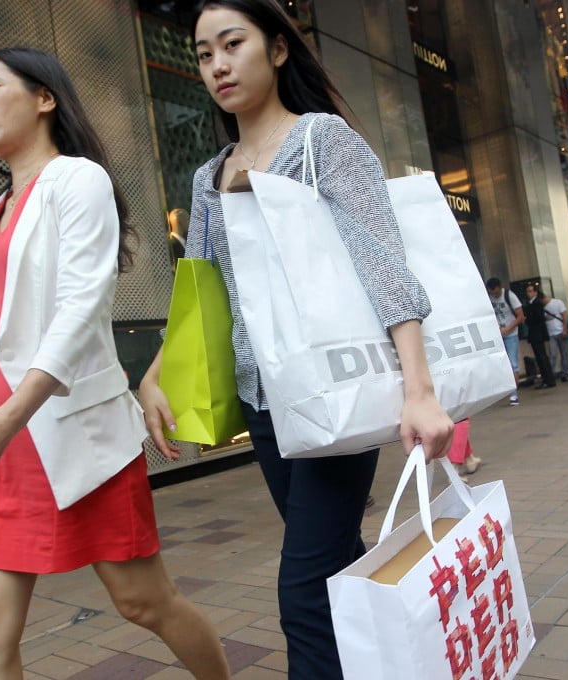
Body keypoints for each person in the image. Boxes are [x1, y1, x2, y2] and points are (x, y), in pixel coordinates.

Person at [0, 48, 230, 679]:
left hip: (70, 434)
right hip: (5, 444)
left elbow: (81, 311)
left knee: (144, 601)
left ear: (43, 97)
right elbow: (3, 336)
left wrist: (7, 419)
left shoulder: (78, 181)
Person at [137, 3, 454, 676]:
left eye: (233, 44)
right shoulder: (208, 174)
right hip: (265, 400)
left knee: (303, 589)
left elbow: (383, 265)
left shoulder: (322, 141)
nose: (217, 65)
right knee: (332, 560)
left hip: (337, 387)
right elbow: (203, 290)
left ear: (278, 51)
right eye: (203, 54)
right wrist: (156, 371)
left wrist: (419, 391)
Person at [487, 277, 523, 405]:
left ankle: (514, 394)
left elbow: (520, 316)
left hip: (511, 334)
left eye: (496, 292)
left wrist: (508, 329)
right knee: (500, 364)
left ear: (500, 287)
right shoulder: (489, 297)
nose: (494, 295)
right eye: (492, 293)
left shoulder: (509, 295)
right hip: (497, 335)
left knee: (513, 363)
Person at [524, 283, 556, 389]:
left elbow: (537, 317)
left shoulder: (536, 303)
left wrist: (527, 320)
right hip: (535, 333)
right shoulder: (531, 303)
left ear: (535, 292)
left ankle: (548, 379)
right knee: (540, 357)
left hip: (538, 333)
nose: (528, 293)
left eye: (530, 291)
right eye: (527, 291)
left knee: (542, 357)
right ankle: (546, 378)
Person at [541, 288, 568, 381]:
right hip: (551, 333)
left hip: (560, 331)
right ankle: (551, 373)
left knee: (564, 354)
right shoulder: (542, 307)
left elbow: (565, 315)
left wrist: (565, 329)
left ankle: (564, 373)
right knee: (553, 354)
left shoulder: (557, 303)